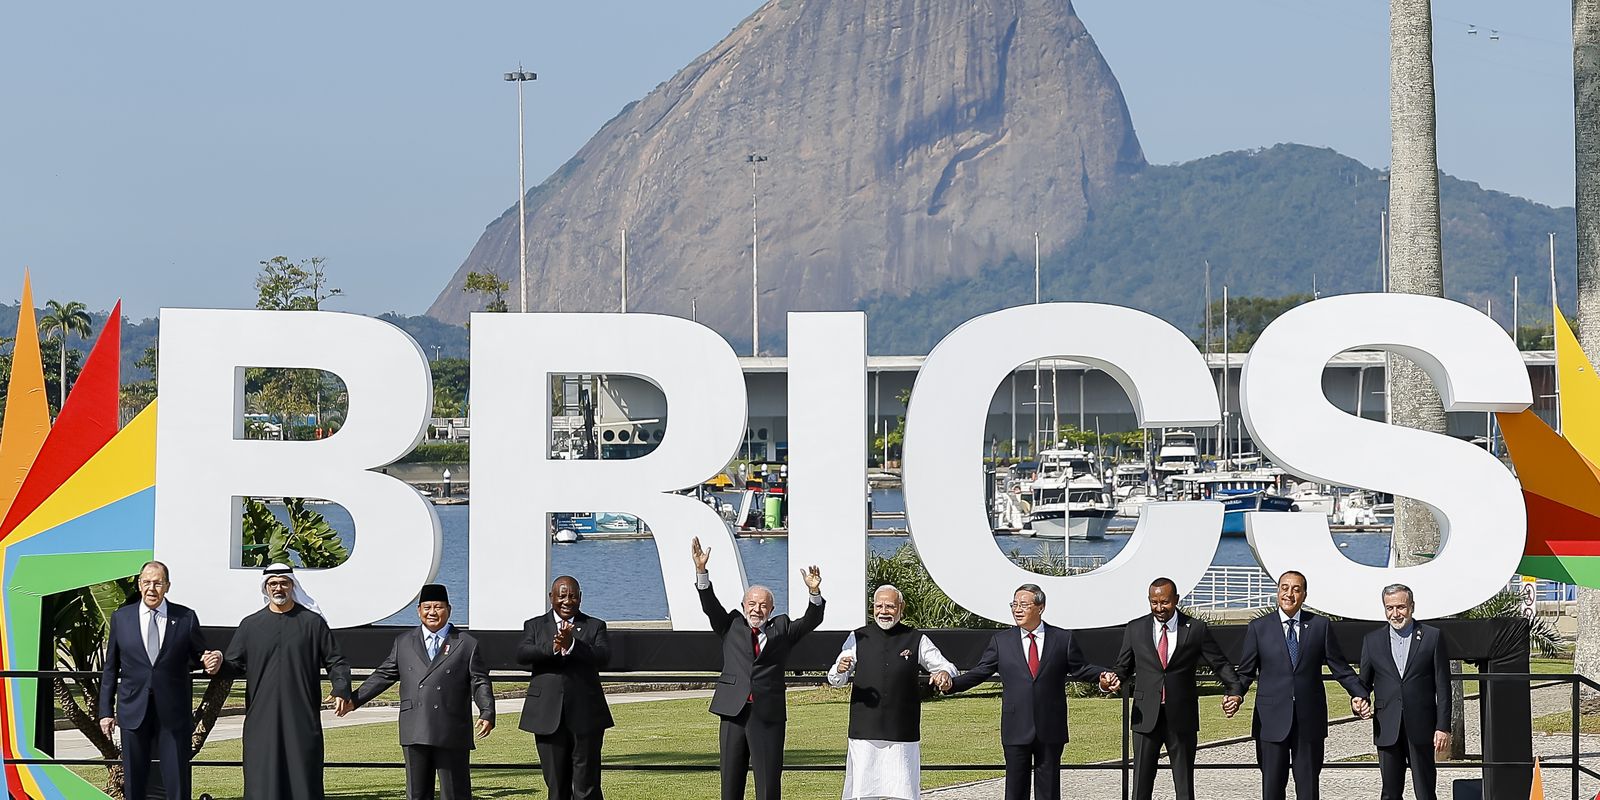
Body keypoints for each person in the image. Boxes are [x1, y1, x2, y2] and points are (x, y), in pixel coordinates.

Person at [944, 583, 1117, 800]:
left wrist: (1103, 676)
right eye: (1014, 604)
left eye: (1024, 605)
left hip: (1050, 727)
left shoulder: (1062, 639)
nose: (1017, 609)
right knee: (1015, 791)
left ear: (1040, 607)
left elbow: (1081, 668)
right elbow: (980, 672)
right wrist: (952, 685)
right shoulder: (1001, 641)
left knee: (1049, 791)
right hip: (1016, 727)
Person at [692, 536, 825, 800]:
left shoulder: (783, 628)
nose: (757, 609)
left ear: (771, 609)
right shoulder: (730, 624)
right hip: (733, 712)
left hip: (767, 714)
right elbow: (710, 606)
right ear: (743, 606)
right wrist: (701, 571)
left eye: (763, 605)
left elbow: (812, 619)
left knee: (767, 783)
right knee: (730, 782)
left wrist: (814, 593)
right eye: (752, 604)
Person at [346, 584, 494, 800]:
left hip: (451, 727)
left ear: (449, 610)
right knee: (417, 793)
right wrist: (354, 699)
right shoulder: (404, 642)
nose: (432, 612)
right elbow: (383, 675)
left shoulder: (466, 644)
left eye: (438, 607)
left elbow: (480, 681)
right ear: (418, 611)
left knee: (455, 793)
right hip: (415, 726)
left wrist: (487, 711)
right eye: (427, 607)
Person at [220, 563, 353, 800]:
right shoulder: (250, 625)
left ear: (292, 586)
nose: (278, 588)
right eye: (273, 583)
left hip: (301, 717)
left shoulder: (313, 623)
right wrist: (216, 663)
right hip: (261, 719)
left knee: (303, 779)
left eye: (283, 583)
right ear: (266, 588)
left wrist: (341, 688)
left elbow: (336, 661)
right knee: (262, 781)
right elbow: (233, 665)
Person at [1235, 570, 1369, 800]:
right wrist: (1235, 695)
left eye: (1296, 589)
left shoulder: (1320, 625)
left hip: (1309, 721)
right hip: (1270, 721)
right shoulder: (1259, 627)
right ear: (1277, 591)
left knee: (1308, 790)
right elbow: (1246, 671)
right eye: (1285, 588)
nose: (1289, 594)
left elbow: (1340, 667)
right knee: (1272, 790)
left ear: (1304, 595)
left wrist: (1359, 694)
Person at [97, 561, 222, 800]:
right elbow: (110, 668)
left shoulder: (185, 617)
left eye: (157, 583)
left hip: (172, 712)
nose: (151, 588)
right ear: (139, 584)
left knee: (177, 779)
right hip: (133, 710)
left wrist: (209, 659)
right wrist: (105, 711)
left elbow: (198, 654)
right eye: (146, 582)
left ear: (167, 586)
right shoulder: (121, 618)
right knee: (134, 780)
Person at [1114, 577, 1244, 800]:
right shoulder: (1135, 628)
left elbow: (1219, 663)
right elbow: (1122, 667)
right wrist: (1112, 679)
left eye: (1164, 602)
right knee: (1141, 786)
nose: (1159, 608)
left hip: (1182, 716)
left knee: (1184, 786)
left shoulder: (1195, 628)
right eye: (1154, 602)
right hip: (1145, 717)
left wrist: (1234, 690)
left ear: (1176, 599)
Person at [827, 585, 956, 800]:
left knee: (903, 791)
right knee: (862, 792)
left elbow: (948, 667)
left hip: (902, 731)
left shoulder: (916, 639)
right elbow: (835, 679)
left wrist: (943, 673)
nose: (883, 611)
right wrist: (840, 669)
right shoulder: (857, 637)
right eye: (879, 606)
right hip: (864, 731)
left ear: (901, 608)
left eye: (889, 606)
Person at [517, 575, 614, 800]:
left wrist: (572, 645)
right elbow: (522, 654)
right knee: (556, 786)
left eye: (572, 596)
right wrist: (553, 647)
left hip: (586, 716)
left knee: (586, 786)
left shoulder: (595, 626)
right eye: (562, 596)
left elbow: (603, 656)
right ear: (551, 597)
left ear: (580, 598)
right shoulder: (535, 625)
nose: (567, 601)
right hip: (546, 716)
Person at [1357, 583, 1451, 800]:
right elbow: (1364, 684)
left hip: (1422, 727)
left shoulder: (1432, 637)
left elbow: (1443, 686)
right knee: (1390, 793)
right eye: (1389, 608)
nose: (1395, 613)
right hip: (1387, 728)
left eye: (1401, 607)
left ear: (1412, 607)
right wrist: (1359, 701)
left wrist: (1443, 727)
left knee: (1425, 792)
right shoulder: (1371, 641)